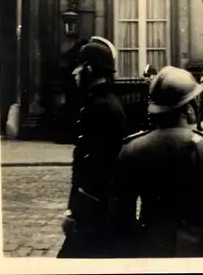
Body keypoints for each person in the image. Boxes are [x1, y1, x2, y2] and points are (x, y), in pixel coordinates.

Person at [109, 66, 203, 258]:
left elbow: (120, 214)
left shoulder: (133, 148)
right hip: (199, 252)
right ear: (188, 107)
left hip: (151, 249)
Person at [57, 36, 128, 258]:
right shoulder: (98, 102)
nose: (74, 73)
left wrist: (75, 212)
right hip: (97, 210)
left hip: (95, 213)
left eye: (79, 67)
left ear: (89, 68)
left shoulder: (101, 107)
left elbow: (93, 171)